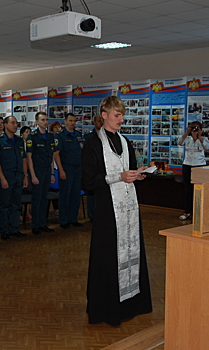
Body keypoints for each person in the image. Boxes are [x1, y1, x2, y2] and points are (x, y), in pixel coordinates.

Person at [82, 96, 152, 326]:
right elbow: (88, 181)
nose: (121, 119)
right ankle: (107, 308)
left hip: (129, 207)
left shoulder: (125, 142)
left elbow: (128, 169)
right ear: (104, 115)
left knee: (132, 252)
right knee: (108, 256)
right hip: (106, 208)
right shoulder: (93, 144)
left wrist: (137, 175)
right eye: (117, 115)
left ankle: (132, 303)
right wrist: (118, 177)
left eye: (122, 114)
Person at [0, 116, 29, 241]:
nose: (15, 125)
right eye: (12, 123)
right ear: (5, 125)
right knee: (4, 205)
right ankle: (4, 230)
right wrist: (2, 178)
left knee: (16, 204)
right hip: (6, 177)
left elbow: (23, 159)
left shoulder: (19, 141)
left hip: (18, 176)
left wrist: (25, 176)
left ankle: (14, 228)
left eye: (16, 123)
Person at [26, 112, 55, 235]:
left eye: (46, 120)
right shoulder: (32, 136)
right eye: (42, 120)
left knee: (44, 199)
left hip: (47, 170)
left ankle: (43, 223)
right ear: (37, 122)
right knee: (37, 199)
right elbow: (29, 157)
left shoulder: (50, 136)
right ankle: (35, 224)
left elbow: (51, 157)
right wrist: (32, 175)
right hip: (37, 170)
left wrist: (52, 174)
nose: (45, 122)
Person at [54, 113, 84, 229]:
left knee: (75, 195)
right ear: (65, 121)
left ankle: (73, 218)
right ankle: (63, 220)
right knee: (65, 195)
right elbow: (56, 155)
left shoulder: (78, 135)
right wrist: (61, 170)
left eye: (74, 121)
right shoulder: (60, 136)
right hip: (66, 168)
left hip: (77, 168)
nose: (72, 123)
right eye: (70, 120)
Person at [177, 120, 209, 220]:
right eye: (192, 128)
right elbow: (179, 142)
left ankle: (199, 212)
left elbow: (207, 147)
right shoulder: (187, 139)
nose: (194, 130)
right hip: (187, 165)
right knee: (187, 189)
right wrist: (187, 132)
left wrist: (199, 136)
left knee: (199, 189)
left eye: (196, 128)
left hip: (199, 166)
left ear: (200, 130)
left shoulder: (204, 139)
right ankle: (187, 212)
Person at [83, 115, 104, 221]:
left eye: (102, 121)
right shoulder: (88, 137)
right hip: (92, 169)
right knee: (91, 193)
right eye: (99, 121)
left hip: (103, 169)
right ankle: (92, 216)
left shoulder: (106, 137)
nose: (100, 123)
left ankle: (100, 215)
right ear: (94, 122)